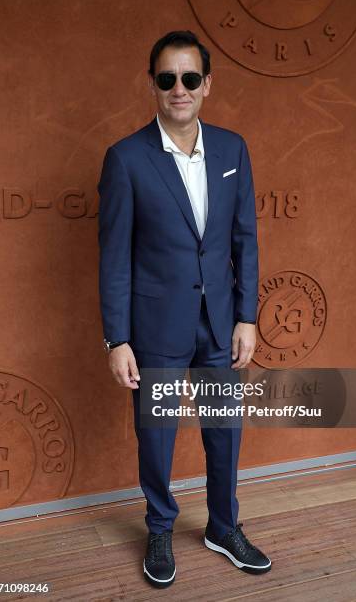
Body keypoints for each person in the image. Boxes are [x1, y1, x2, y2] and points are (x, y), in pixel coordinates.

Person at [97, 30, 272, 589]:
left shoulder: (232, 148)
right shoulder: (125, 159)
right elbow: (114, 257)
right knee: (159, 434)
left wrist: (248, 316)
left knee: (225, 429)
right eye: (168, 78)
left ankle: (224, 526)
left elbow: (245, 237)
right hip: (156, 327)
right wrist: (116, 338)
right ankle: (160, 528)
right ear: (153, 84)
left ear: (207, 85)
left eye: (190, 78)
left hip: (220, 323)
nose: (179, 89)